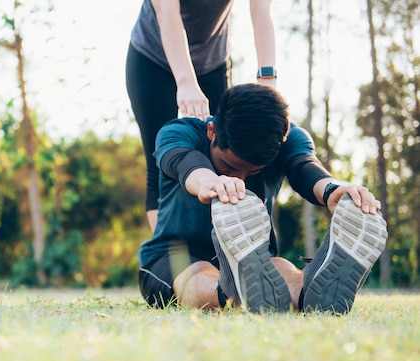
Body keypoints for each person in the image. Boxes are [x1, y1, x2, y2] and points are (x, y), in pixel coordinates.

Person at [137, 83, 388, 314]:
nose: (240, 179)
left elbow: (303, 166)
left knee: (279, 269)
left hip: (256, 260)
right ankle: (230, 290)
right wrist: (213, 182)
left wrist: (333, 190)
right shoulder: (178, 132)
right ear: (211, 130)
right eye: (227, 166)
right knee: (199, 276)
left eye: (253, 172)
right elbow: (184, 162)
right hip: (174, 254)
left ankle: (307, 293)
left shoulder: (287, 139)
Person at [126, 0, 278, 231]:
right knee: (159, 162)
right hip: (153, 55)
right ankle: (167, 255)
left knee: (228, 154)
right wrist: (186, 82)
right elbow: (167, 10)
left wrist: (268, 81)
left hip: (212, 61)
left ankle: (225, 249)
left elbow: (260, 9)